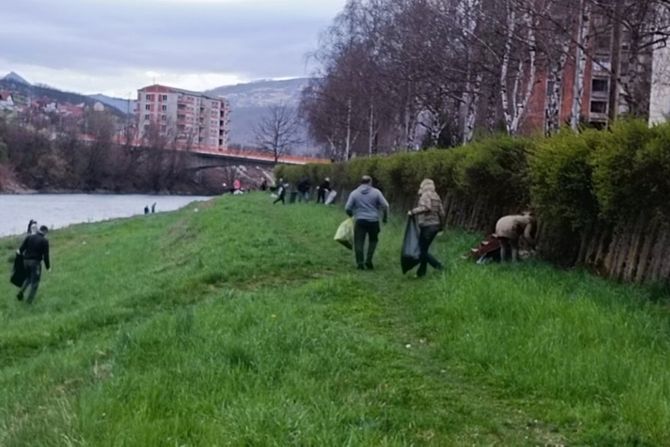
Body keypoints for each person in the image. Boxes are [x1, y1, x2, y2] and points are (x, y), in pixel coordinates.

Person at [345, 175, 389, 270]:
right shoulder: (376, 192)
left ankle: (360, 263)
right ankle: (369, 260)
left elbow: (347, 208)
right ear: (370, 182)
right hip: (374, 221)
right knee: (373, 240)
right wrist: (385, 218)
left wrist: (351, 215)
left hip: (360, 220)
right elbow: (385, 206)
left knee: (359, 242)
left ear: (360, 182)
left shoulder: (354, 193)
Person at [407, 178, 445, 277]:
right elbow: (442, 213)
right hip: (435, 226)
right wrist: (441, 226)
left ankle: (439, 266)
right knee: (424, 249)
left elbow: (426, 207)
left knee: (421, 250)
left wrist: (413, 212)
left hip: (427, 226)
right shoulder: (436, 196)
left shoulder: (425, 195)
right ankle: (421, 273)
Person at [17, 225, 51, 304]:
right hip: (35, 263)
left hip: (25, 261)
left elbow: (20, 250)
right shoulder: (44, 241)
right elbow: (46, 256)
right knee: (35, 283)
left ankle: (21, 292)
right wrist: (48, 267)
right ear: (45, 232)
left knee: (28, 278)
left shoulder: (29, 237)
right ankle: (29, 302)